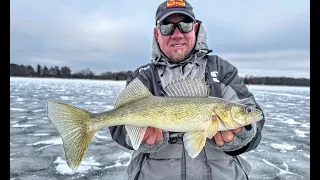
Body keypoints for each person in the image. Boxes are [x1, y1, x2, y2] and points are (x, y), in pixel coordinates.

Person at [109, 0, 265, 179]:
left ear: (196, 28)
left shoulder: (221, 69)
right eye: (167, 26)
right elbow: (117, 124)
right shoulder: (143, 76)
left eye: (185, 25)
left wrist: (244, 135)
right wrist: (137, 138)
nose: (177, 34)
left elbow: (256, 121)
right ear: (156, 34)